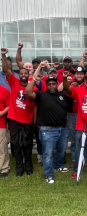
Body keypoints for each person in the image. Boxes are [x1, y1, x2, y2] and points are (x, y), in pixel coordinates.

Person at [25, 64, 70, 184]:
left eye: (53, 84)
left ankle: (58, 166)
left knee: (61, 151)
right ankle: (49, 175)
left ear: (56, 85)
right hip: (48, 130)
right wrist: (34, 80)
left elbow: (68, 88)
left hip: (63, 129)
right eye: (49, 84)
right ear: (46, 85)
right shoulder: (41, 95)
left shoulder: (62, 95)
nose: (51, 86)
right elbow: (28, 92)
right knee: (48, 154)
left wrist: (65, 79)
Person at [1, 48, 35, 176]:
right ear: (18, 75)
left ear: (28, 75)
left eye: (25, 73)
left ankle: (29, 168)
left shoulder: (32, 84)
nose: (23, 75)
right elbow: (6, 69)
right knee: (16, 145)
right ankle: (19, 169)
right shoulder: (13, 81)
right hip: (14, 119)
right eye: (21, 73)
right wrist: (3, 56)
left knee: (27, 145)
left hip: (27, 120)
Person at [66, 66, 87, 168]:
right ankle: (75, 159)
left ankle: (86, 158)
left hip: (84, 115)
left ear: (84, 75)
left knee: (85, 138)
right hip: (72, 115)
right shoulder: (71, 85)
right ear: (74, 75)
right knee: (74, 139)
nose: (79, 75)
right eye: (77, 73)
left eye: (81, 74)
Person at [0, 85, 10, 178]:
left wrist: (1, 113)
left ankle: (4, 169)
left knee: (2, 147)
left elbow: (9, 106)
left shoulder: (4, 90)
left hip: (1, 124)